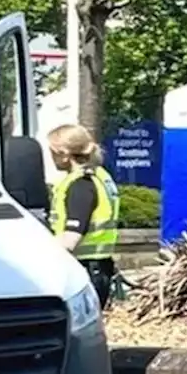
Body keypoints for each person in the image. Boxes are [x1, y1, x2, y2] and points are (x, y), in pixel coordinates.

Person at [47, 124, 121, 308]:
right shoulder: (100, 176)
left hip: (84, 270)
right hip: (99, 267)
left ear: (64, 154)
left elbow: (71, 239)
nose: (51, 158)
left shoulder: (80, 184)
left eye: (52, 152)